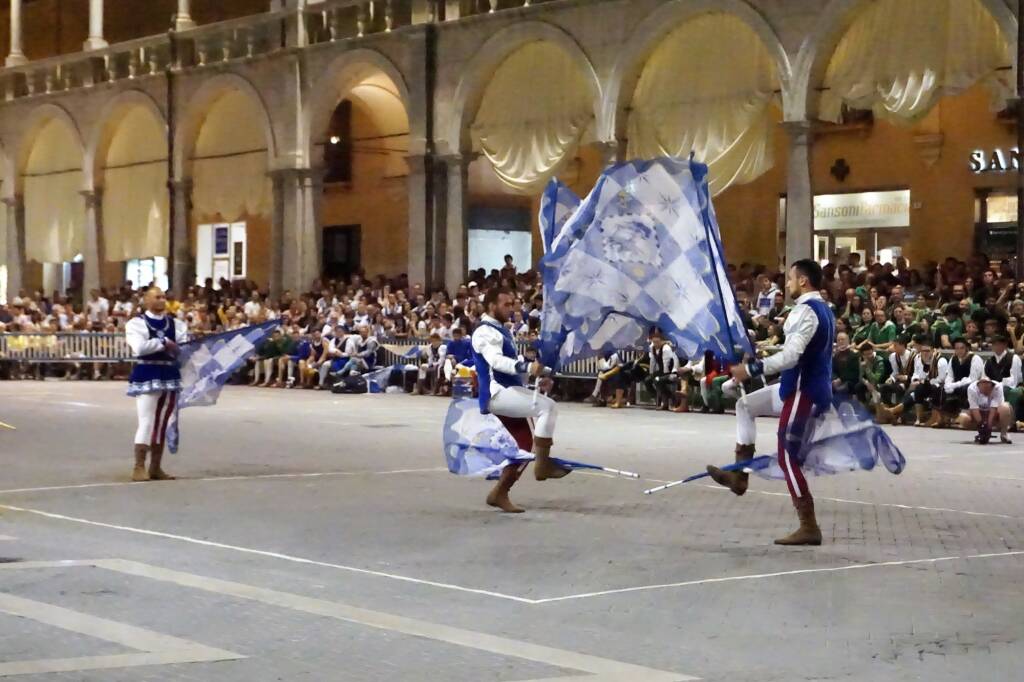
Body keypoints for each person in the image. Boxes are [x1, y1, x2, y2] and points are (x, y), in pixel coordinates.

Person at [712, 259, 835, 546]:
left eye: (791, 278)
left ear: (803, 281)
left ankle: (809, 524)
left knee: (787, 457)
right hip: (798, 387)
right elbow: (795, 355)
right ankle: (739, 477)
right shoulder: (822, 310)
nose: (787, 283)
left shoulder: (806, 311)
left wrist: (751, 370)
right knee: (745, 406)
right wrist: (741, 377)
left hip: (804, 392)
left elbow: (791, 357)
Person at [471, 287, 567, 514]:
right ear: (492, 305)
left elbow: (510, 367)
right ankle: (542, 466)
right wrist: (527, 367)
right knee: (548, 408)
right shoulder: (485, 332)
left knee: (524, 445)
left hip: (506, 390)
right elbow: (496, 362)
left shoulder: (500, 330)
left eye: (512, 303)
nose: (511, 308)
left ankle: (500, 493)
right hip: (497, 394)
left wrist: (538, 374)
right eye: (506, 304)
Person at [125, 286, 187, 482]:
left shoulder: (176, 324)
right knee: (147, 420)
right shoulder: (137, 323)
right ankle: (139, 466)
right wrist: (164, 344)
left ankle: (156, 466)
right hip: (147, 372)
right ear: (145, 300)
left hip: (169, 374)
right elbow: (139, 348)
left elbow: (183, 349)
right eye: (157, 297)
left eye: (163, 297)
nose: (162, 300)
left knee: (163, 422)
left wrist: (174, 348)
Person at [881, 336, 948, 427]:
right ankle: (916, 418)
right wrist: (915, 380)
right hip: (922, 385)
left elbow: (942, 378)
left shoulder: (940, 360)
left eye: (928, 351)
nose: (925, 353)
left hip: (937, 386)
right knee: (914, 389)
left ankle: (895, 412)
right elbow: (916, 374)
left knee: (916, 390)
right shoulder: (918, 358)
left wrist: (925, 381)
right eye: (923, 351)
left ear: (933, 350)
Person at [942, 337, 984, 427]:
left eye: (962, 348)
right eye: (957, 348)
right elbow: (949, 375)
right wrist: (948, 384)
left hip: (972, 386)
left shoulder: (975, 358)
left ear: (966, 348)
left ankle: (964, 416)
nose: (959, 351)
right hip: (956, 385)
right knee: (941, 388)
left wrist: (954, 385)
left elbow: (973, 379)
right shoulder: (953, 359)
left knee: (967, 388)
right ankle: (945, 417)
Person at [959, 375, 1012, 444]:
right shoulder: (972, 389)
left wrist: (989, 426)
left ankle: (1004, 434)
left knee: (1005, 407)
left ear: (991, 385)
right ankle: (981, 432)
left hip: (994, 414)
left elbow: (994, 408)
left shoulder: (998, 387)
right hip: (979, 413)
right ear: (979, 386)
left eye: (987, 388)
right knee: (963, 417)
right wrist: (982, 425)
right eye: (983, 389)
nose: (986, 391)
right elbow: (974, 408)